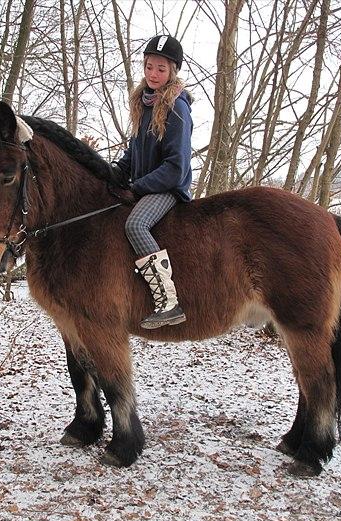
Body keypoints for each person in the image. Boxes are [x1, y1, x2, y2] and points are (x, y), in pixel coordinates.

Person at [112, 35, 193, 330]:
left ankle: (168, 302)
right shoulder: (143, 104)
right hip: (145, 185)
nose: (153, 74)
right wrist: (115, 174)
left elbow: (175, 166)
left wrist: (137, 187)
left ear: (172, 72)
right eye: (149, 66)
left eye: (161, 69)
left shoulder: (177, 108)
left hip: (168, 189)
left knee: (135, 224)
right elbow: (134, 152)